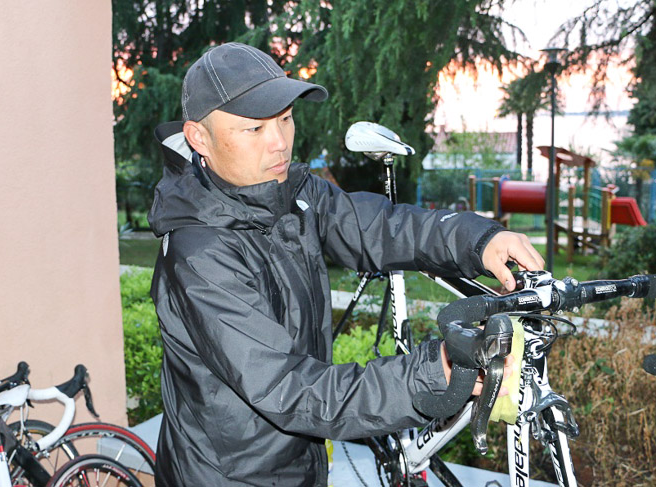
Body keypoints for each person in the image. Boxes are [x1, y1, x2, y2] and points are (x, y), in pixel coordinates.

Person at [148, 42, 544, 487]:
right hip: (230, 475)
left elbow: (381, 227)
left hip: (299, 458)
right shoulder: (198, 253)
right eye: (253, 129)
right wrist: (430, 374)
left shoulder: (288, 193)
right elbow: (290, 388)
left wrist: (479, 239)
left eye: (285, 119)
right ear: (199, 137)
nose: (280, 143)